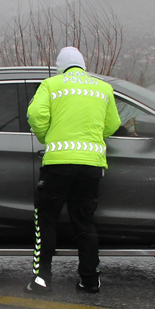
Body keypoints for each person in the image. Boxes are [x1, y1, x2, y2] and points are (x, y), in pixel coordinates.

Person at [25, 46, 121, 294]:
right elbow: (113, 124)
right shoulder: (103, 88)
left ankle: (41, 280)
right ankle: (90, 280)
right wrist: (91, 138)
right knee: (85, 222)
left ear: (60, 65)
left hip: (57, 165)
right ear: (82, 64)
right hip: (91, 166)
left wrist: (48, 137)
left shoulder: (51, 85)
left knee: (46, 221)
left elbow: (35, 115)